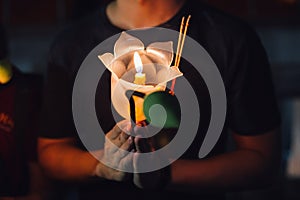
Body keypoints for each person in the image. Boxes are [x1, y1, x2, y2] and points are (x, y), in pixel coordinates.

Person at [38, 0, 281, 199]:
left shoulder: (229, 38)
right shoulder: (71, 45)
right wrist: (100, 165)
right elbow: (51, 153)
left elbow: (262, 162)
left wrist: (166, 173)